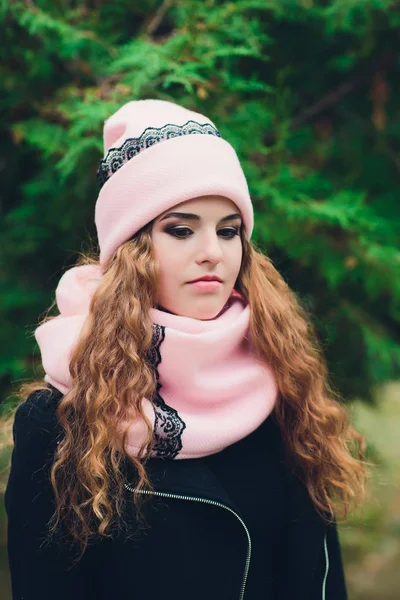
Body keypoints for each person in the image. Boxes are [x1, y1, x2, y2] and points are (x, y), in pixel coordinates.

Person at [4, 99, 370, 600]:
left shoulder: (281, 385)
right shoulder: (58, 422)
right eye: (180, 229)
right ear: (132, 250)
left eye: (228, 230)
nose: (213, 252)